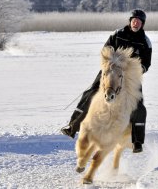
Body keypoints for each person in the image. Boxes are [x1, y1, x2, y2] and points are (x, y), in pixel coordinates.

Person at [61, 9, 152, 153]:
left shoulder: (145, 41)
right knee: (90, 94)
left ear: (142, 24)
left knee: (139, 106)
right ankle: (73, 127)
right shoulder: (118, 34)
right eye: (134, 20)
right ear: (130, 21)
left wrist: (136, 69)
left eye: (139, 21)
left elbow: (146, 64)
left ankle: (137, 142)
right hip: (110, 70)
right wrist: (111, 63)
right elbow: (106, 50)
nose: (136, 23)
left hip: (130, 77)